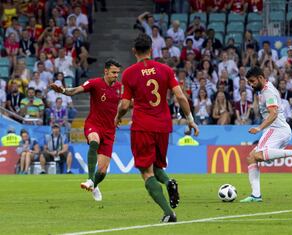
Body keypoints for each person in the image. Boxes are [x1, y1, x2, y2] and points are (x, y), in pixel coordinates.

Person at [114, 33, 199, 222]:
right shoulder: (166, 69)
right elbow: (181, 97)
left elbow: (125, 105)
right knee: (157, 166)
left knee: (146, 171)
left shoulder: (129, 73)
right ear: (151, 50)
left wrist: (118, 116)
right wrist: (190, 119)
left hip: (143, 126)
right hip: (163, 126)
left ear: (134, 51)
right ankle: (169, 182)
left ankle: (169, 213)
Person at [49, 59, 122, 201]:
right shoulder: (94, 83)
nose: (116, 75)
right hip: (93, 124)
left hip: (109, 130)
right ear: (105, 72)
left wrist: (119, 116)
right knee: (94, 141)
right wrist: (63, 90)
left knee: (102, 171)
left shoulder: (120, 87)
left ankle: (94, 184)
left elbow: (123, 105)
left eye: (117, 73)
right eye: (113, 72)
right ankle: (90, 179)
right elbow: (76, 90)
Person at [240, 67, 292, 203]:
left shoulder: (268, 92)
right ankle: (256, 195)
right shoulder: (265, 88)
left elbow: (273, 114)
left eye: (252, 81)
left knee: (257, 155)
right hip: (279, 130)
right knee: (251, 158)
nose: (251, 84)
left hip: (276, 129)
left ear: (260, 77)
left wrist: (259, 128)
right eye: (249, 82)